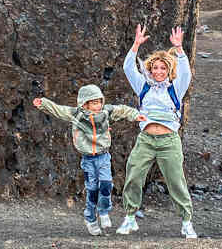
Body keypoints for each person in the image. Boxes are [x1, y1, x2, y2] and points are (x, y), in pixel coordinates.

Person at [116, 24, 197, 239]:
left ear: (168, 70)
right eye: (155, 68)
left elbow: (186, 72)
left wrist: (179, 49)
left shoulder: (175, 88)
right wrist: (136, 45)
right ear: (150, 70)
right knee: (134, 175)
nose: (159, 72)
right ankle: (130, 217)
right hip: (146, 139)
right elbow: (127, 68)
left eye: (163, 68)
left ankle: (187, 221)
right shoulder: (143, 86)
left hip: (169, 140)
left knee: (176, 180)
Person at [33, 85, 144, 235]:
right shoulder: (77, 115)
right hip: (88, 160)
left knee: (106, 185)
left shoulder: (105, 112)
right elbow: (59, 110)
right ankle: (90, 219)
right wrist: (44, 104)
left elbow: (122, 110)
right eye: (94, 103)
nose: (98, 106)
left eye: (99, 102)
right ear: (84, 104)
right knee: (92, 190)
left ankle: (104, 211)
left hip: (103, 156)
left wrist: (135, 115)